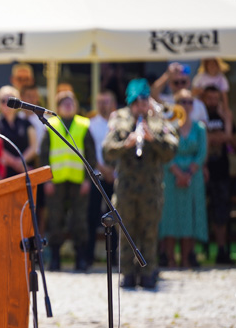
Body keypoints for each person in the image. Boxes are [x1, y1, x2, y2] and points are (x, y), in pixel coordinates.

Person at [103, 79, 178, 289]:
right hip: (126, 189)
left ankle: (148, 272)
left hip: (151, 190)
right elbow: (107, 150)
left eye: (144, 101)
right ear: (130, 103)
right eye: (136, 102)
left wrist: (152, 139)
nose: (141, 107)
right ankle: (127, 273)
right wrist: (125, 143)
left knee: (149, 231)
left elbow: (171, 151)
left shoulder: (158, 120)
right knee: (126, 231)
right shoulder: (119, 120)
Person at [39, 91, 96, 271]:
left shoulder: (84, 124)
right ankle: (55, 258)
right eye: (63, 102)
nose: (68, 105)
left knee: (79, 219)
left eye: (71, 101)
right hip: (56, 181)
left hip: (79, 180)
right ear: (58, 106)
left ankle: (80, 258)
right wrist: (46, 180)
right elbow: (44, 155)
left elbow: (91, 155)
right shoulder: (50, 124)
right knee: (55, 219)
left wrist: (88, 179)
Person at [159, 89, 208, 268]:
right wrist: (178, 173)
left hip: (192, 177)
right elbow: (165, 153)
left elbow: (202, 153)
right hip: (172, 176)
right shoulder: (168, 127)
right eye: (183, 102)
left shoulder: (199, 128)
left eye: (190, 102)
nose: (187, 105)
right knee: (170, 216)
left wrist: (188, 173)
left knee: (189, 216)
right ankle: (170, 258)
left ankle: (188, 258)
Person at [202, 85, 236, 264]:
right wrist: (217, 137)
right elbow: (204, 138)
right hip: (202, 171)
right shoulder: (200, 114)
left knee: (221, 213)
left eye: (216, 98)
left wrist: (227, 121)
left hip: (221, 172)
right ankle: (196, 253)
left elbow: (233, 142)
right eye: (210, 98)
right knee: (201, 213)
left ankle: (222, 251)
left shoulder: (225, 116)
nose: (213, 102)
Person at [85, 89, 118, 267]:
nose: (104, 105)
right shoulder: (90, 124)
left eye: (107, 101)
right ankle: (89, 256)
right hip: (96, 176)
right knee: (92, 216)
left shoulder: (120, 123)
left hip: (116, 176)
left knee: (116, 216)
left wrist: (113, 170)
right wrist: (103, 169)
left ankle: (114, 257)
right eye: (101, 102)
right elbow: (89, 151)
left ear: (113, 103)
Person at [0, 86, 37, 177]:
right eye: (3, 101)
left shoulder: (26, 123)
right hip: (5, 173)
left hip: (26, 170)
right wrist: (16, 163)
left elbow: (34, 146)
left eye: (10, 100)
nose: (7, 104)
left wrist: (21, 160)